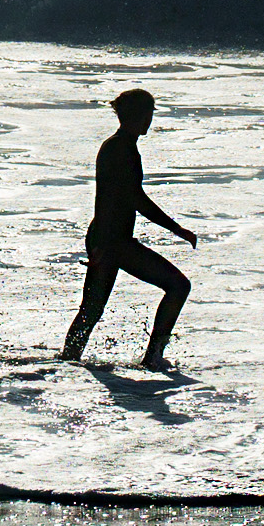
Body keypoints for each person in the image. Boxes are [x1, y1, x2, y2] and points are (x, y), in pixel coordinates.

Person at [59, 88, 196, 370]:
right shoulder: (120, 149)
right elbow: (135, 199)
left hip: (108, 239)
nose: (150, 120)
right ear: (135, 115)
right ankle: (152, 358)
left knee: (92, 309)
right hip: (112, 242)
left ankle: (67, 362)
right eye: (148, 114)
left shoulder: (121, 146)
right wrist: (176, 229)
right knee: (178, 285)